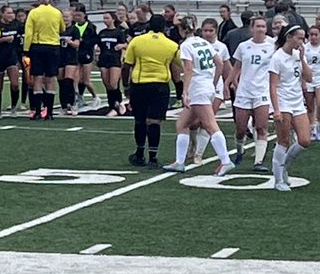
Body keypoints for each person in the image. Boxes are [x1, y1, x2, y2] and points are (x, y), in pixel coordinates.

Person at [163, 14, 233, 175]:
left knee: (209, 125)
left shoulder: (186, 45)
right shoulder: (204, 42)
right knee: (182, 124)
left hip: (198, 88)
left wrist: (185, 92)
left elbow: (188, 69)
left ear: (181, 29)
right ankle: (179, 162)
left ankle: (225, 161)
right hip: (206, 86)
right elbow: (219, 62)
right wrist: (214, 82)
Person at [123, 14, 181, 167]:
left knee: (140, 120)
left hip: (139, 84)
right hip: (160, 86)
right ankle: (153, 157)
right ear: (163, 28)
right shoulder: (171, 45)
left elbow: (126, 65)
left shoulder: (137, 41)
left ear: (148, 25)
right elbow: (182, 64)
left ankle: (139, 154)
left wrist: (126, 87)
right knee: (154, 121)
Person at [269, 25, 312, 191]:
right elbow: (273, 85)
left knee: (305, 140)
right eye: (299, 38)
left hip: (297, 102)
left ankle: (283, 166)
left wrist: (302, 59)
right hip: (283, 101)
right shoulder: (277, 57)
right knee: (283, 140)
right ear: (289, 37)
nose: (302, 41)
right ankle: (278, 179)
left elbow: (308, 78)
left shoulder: (298, 55)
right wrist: (276, 109)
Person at [230, 14, 273, 171]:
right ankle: (240, 151)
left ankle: (259, 161)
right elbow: (237, 67)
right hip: (244, 91)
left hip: (262, 91)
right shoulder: (243, 46)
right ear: (252, 28)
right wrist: (230, 82)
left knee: (261, 127)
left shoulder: (273, 46)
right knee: (241, 129)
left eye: (263, 26)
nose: (261, 29)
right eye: (258, 26)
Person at [23, 0, 64, 120]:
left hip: (38, 46)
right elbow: (62, 28)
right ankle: (50, 112)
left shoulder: (33, 13)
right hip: (53, 46)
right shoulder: (57, 13)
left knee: (38, 78)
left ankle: (38, 111)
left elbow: (29, 33)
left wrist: (26, 49)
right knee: (51, 78)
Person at [96, 11, 128, 116]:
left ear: (113, 19)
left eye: (107, 18)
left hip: (115, 59)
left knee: (114, 83)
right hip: (104, 59)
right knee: (107, 84)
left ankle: (118, 104)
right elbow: (98, 46)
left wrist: (122, 47)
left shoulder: (119, 32)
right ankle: (112, 105)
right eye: (104, 18)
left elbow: (126, 45)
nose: (105, 20)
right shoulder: (102, 32)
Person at [199, 18, 232, 116]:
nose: (208, 33)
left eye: (211, 31)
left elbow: (227, 68)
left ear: (216, 31)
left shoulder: (221, 47)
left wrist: (228, 84)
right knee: (197, 119)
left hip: (217, 84)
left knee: (210, 115)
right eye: (205, 31)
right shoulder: (197, 45)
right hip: (201, 83)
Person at [0, 4, 22, 116]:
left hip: (12, 57)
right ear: (2, 14)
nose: (11, 15)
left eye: (12, 13)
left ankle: (14, 107)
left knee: (15, 84)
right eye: (8, 13)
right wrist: (4, 39)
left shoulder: (16, 25)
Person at [73, 4, 100, 109]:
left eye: (79, 15)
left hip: (86, 54)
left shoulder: (90, 27)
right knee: (76, 78)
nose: (77, 18)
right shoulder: (73, 26)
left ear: (84, 15)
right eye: (76, 15)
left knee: (86, 80)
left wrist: (83, 41)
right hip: (76, 54)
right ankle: (78, 97)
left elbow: (94, 40)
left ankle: (95, 97)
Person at [58, 8, 81, 116]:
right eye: (63, 17)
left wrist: (70, 42)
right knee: (61, 82)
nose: (65, 19)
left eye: (67, 17)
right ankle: (63, 105)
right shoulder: (58, 29)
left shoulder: (74, 30)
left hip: (71, 57)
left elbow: (77, 44)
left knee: (68, 80)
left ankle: (72, 103)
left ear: (71, 18)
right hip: (60, 57)